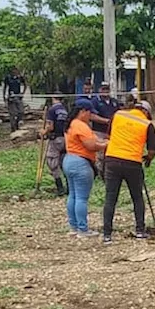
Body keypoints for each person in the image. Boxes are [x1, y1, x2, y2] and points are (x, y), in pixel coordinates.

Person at [101, 95, 155, 244]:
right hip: (132, 163)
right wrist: (148, 159)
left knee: (110, 198)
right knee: (137, 197)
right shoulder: (147, 124)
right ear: (146, 112)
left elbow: (109, 136)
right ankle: (140, 230)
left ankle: (107, 234)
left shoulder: (118, 115)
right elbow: (152, 150)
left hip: (112, 160)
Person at [64, 98, 107, 237]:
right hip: (81, 162)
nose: (91, 116)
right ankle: (83, 229)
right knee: (82, 197)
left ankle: (74, 226)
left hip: (69, 160)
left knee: (73, 195)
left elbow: (93, 140)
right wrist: (105, 145)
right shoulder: (81, 126)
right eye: (90, 113)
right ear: (82, 111)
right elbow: (91, 145)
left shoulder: (70, 124)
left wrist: (101, 141)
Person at [40, 98, 70, 197]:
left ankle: (60, 187)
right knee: (64, 162)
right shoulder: (65, 110)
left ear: (53, 98)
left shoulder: (52, 110)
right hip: (65, 138)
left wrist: (44, 131)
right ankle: (69, 186)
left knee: (52, 162)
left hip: (55, 139)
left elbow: (50, 126)